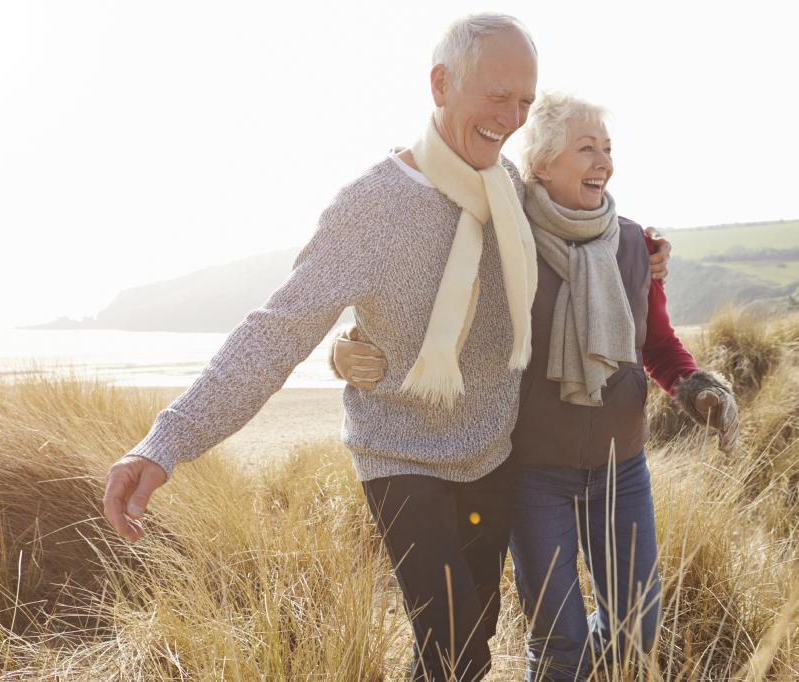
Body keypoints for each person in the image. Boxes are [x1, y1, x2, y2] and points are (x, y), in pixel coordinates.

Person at [105, 14, 545, 681]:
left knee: (461, 647)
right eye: (496, 94)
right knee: (456, 645)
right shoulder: (370, 207)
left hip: (492, 451)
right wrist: (167, 440)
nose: (511, 116)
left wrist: (643, 257)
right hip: (400, 452)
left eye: (525, 102)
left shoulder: (507, 186)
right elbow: (276, 330)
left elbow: (574, 244)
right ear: (440, 84)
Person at [331, 91, 739, 680]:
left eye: (607, 149)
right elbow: (426, 308)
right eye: (585, 148)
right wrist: (347, 347)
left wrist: (697, 386)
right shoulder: (502, 240)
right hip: (532, 475)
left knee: (635, 629)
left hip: (622, 469)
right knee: (559, 641)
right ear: (541, 164)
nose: (603, 160)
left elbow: (655, 345)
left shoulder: (632, 245)